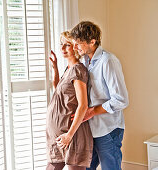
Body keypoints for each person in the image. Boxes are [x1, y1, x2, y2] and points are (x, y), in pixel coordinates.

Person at [70, 21, 129, 170]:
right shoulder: (84, 61)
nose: (75, 47)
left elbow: (121, 100)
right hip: (90, 129)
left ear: (92, 41)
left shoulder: (108, 61)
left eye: (79, 43)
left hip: (108, 129)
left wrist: (92, 111)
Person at [46, 31, 93, 170]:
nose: (62, 49)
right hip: (59, 136)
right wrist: (55, 68)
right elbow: (59, 91)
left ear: (76, 47)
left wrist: (69, 135)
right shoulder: (68, 69)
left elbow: (83, 105)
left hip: (71, 135)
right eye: (61, 45)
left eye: (67, 45)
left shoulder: (78, 70)